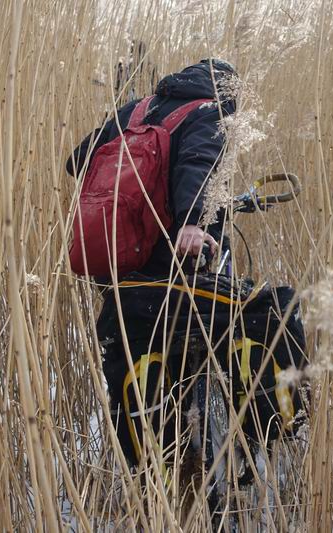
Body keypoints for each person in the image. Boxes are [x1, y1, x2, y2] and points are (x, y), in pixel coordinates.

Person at [66, 59, 243, 467]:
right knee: (193, 343)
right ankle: (199, 452)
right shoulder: (208, 111)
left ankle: (145, 461)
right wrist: (194, 222)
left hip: (119, 260)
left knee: (132, 360)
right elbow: (197, 163)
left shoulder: (136, 109)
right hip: (172, 263)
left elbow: (77, 161)